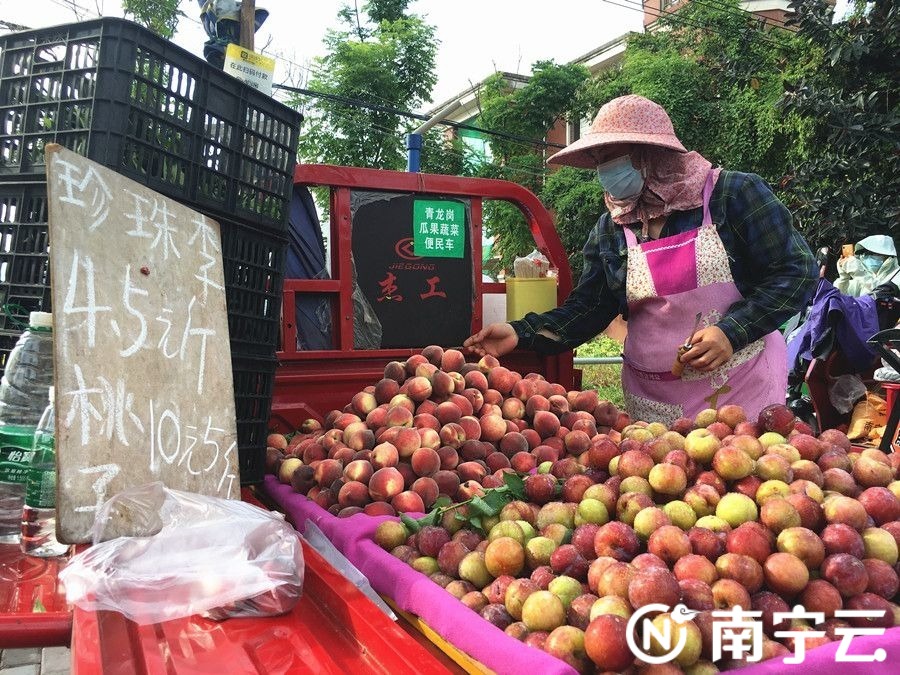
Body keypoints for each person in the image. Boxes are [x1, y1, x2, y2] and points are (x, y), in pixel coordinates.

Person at [464, 95, 818, 425]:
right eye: (599, 162)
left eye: (613, 157)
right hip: (652, 399)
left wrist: (732, 332)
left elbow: (795, 273)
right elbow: (588, 310)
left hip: (738, 389)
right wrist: (519, 332)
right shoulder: (612, 228)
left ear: (652, 154)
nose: (604, 171)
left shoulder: (732, 196)